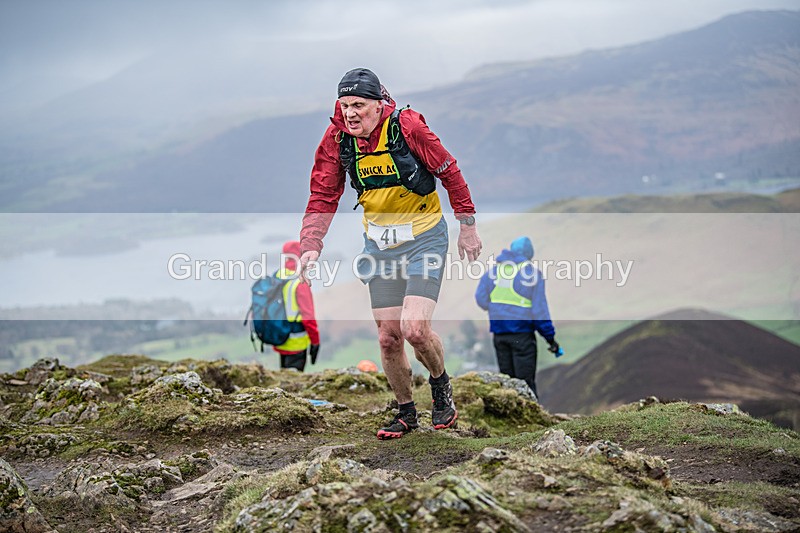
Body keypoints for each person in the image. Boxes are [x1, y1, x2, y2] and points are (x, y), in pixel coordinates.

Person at [298, 68, 482, 439]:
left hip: (425, 239)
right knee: (388, 337)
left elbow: (448, 170)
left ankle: (441, 387)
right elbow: (323, 193)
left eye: (359, 105)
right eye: (344, 105)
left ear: (379, 105)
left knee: (415, 330)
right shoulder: (338, 138)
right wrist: (310, 245)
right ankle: (405, 412)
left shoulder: (408, 127)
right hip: (379, 246)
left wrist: (467, 225)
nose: (350, 113)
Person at [474, 236, 562, 399]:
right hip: (522, 337)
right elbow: (540, 311)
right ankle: (532, 422)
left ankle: (510, 420)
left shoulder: (493, 272)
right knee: (526, 384)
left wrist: (496, 310)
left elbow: (481, 299)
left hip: (499, 336)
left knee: (507, 382)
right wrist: (550, 339)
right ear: (529, 254)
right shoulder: (532, 274)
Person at [274, 241, 320, 372]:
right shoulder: (300, 281)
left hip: (280, 337)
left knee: (283, 378)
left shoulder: (278, 275)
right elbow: (308, 318)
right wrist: (315, 342)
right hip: (296, 343)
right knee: (293, 384)